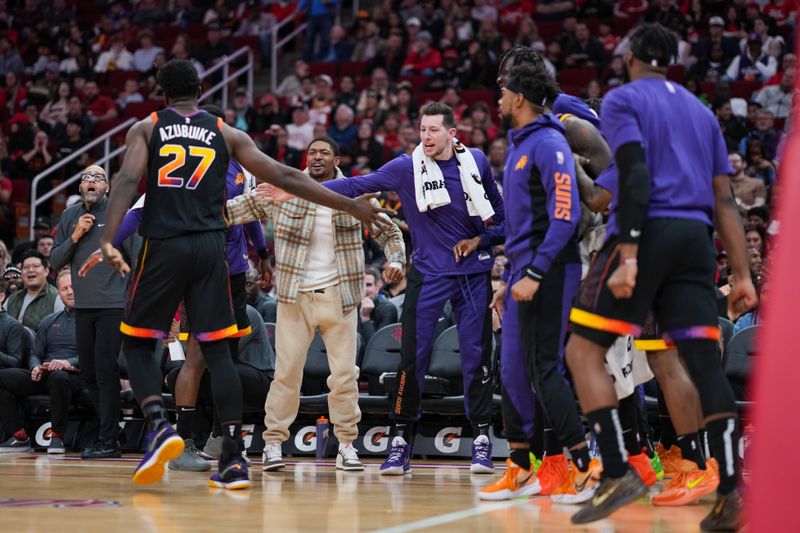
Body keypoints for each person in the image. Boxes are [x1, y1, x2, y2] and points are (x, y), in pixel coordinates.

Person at [88, 59, 390, 489]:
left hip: (165, 244)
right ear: (199, 89)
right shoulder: (228, 133)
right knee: (218, 354)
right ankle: (232, 458)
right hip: (213, 251)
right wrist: (352, 204)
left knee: (136, 342)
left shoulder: (148, 127)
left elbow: (126, 181)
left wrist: (108, 240)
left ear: (163, 93)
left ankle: (158, 425)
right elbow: (286, 175)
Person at [564, 24, 756, 529]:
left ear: (629, 56)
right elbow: (725, 200)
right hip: (697, 240)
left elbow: (634, 174)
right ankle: (731, 489)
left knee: (581, 349)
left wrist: (627, 252)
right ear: (670, 61)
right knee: (703, 366)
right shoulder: (701, 111)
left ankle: (618, 472)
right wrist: (742, 273)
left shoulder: (623, 100)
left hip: (647, 232)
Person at [316, 103, 506, 474]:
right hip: (429, 274)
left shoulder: (477, 161)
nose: (426, 137)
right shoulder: (407, 166)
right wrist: (296, 187)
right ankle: (400, 438)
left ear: (453, 133)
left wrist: (478, 241)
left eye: (434, 130)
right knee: (411, 359)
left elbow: (502, 222)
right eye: (422, 129)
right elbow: (356, 185)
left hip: (472, 272)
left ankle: (482, 437)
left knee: (475, 355)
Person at [226, 136, 405, 472]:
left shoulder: (355, 192)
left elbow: (390, 233)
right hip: (295, 296)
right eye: (312, 152)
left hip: (341, 296)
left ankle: (347, 444)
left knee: (344, 377)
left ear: (337, 158)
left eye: (324, 152)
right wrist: (194, 213)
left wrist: (395, 259)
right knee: (285, 374)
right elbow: (236, 210)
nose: (317, 157)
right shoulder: (284, 187)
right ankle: (274, 443)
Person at [479, 61, 600, 502]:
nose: (497, 98)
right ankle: (519, 467)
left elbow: (565, 216)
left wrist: (532, 273)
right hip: (519, 273)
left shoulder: (550, 143)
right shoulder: (519, 144)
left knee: (543, 367)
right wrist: (510, 275)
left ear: (520, 98)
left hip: (550, 271)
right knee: (511, 370)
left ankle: (586, 466)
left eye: (503, 91)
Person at [50, 165, 137, 460]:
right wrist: (75, 236)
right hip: (83, 306)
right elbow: (55, 260)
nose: (91, 182)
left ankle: (108, 438)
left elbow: (136, 259)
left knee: (105, 371)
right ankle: (113, 430)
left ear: (107, 188)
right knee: (87, 374)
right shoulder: (69, 217)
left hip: (113, 305)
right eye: (86, 177)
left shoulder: (119, 214)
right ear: (79, 187)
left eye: (98, 178)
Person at [0, 271, 80, 454]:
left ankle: (57, 437)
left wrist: (67, 362)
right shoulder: (48, 321)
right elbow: (35, 353)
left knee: (59, 377)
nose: (70, 292)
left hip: (75, 375)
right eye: (65, 288)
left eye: (73, 287)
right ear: (58, 293)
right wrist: (35, 367)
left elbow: (93, 355)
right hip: (46, 374)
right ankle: (20, 436)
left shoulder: (91, 321)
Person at [5, 251, 63, 330]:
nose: (30, 270)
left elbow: (60, 332)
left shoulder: (57, 298)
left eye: (36, 266)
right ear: (21, 273)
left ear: (46, 271)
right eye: (26, 267)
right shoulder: (11, 299)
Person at [359, 266, 400, 345]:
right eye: (360, 285)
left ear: (377, 286)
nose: (364, 290)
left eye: (368, 285)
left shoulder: (388, 309)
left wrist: (365, 317)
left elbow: (378, 346)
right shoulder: (351, 308)